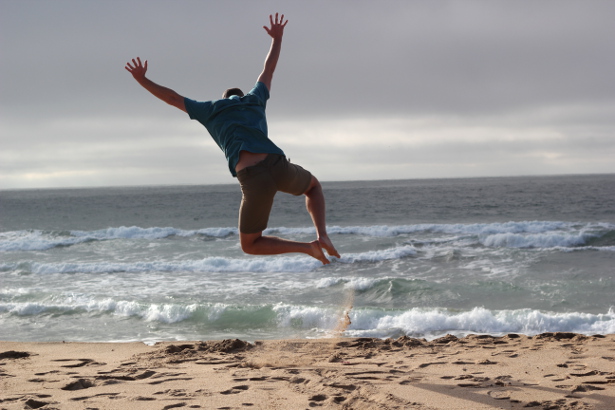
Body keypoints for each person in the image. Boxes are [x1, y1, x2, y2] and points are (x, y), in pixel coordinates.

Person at [125, 13, 339, 264]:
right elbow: (268, 68)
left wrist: (142, 80)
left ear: (223, 97)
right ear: (240, 95)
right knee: (313, 187)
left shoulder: (211, 109)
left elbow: (172, 98)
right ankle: (322, 235)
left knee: (250, 244)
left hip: (251, 177)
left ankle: (309, 248)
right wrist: (277, 38)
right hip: (277, 164)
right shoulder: (255, 98)